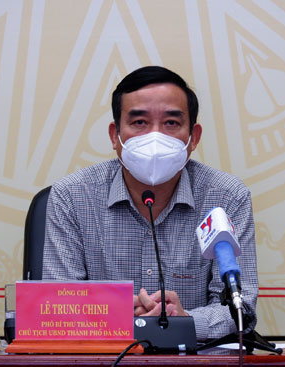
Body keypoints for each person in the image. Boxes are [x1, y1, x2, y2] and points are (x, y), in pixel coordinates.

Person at [42, 66, 258, 340]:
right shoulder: (71, 196)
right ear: (114, 135)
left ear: (194, 138)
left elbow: (241, 309)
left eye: (171, 123)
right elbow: (56, 305)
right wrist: (114, 313)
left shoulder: (226, 197)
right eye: (139, 122)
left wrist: (186, 320)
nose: (155, 137)